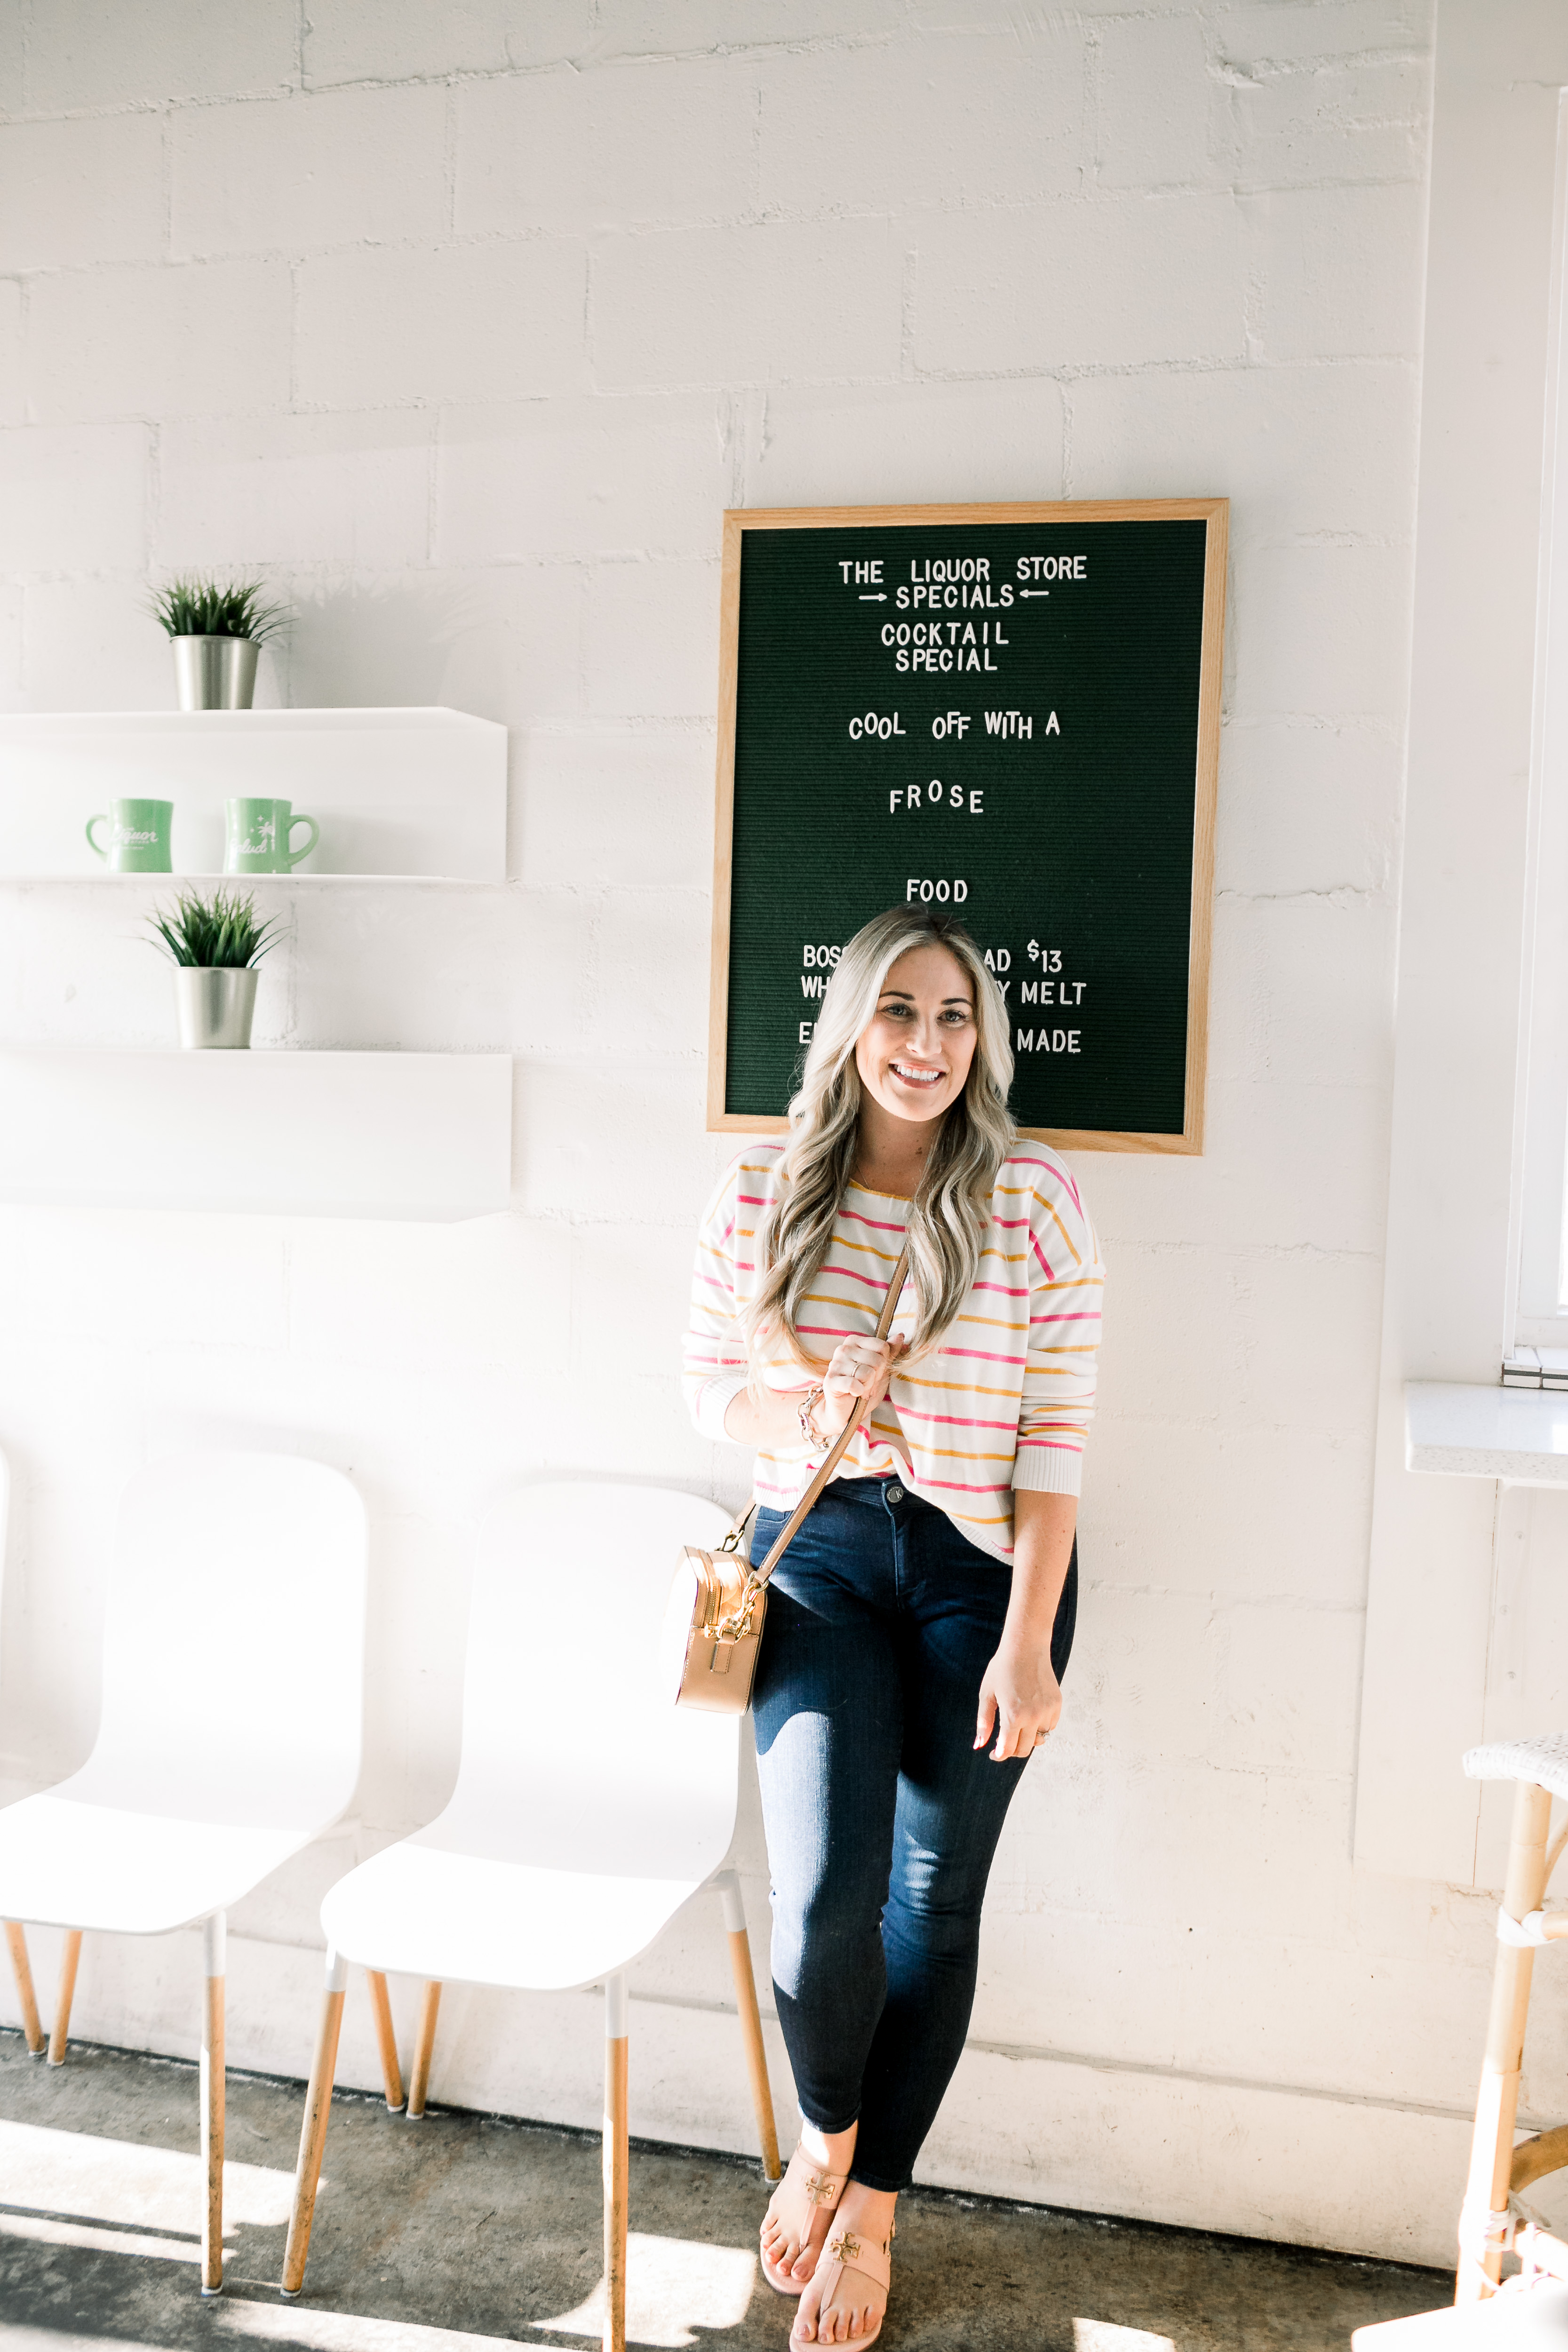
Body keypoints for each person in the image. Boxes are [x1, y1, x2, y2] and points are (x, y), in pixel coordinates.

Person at [682, 906, 1104, 2348]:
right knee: (821, 1904)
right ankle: (826, 2132)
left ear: (982, 1040)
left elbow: (1057, 1445)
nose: (928, 1046)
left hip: (984, 1576)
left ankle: (873, 2210)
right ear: (852, 1025)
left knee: (934, 1904)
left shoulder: (1033, 1196)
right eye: (901, 1013)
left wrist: (1031, 1643)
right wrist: (805, 1400)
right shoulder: (761, 1193)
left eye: (957, 1017)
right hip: (813, 1566)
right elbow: (705, 1392)